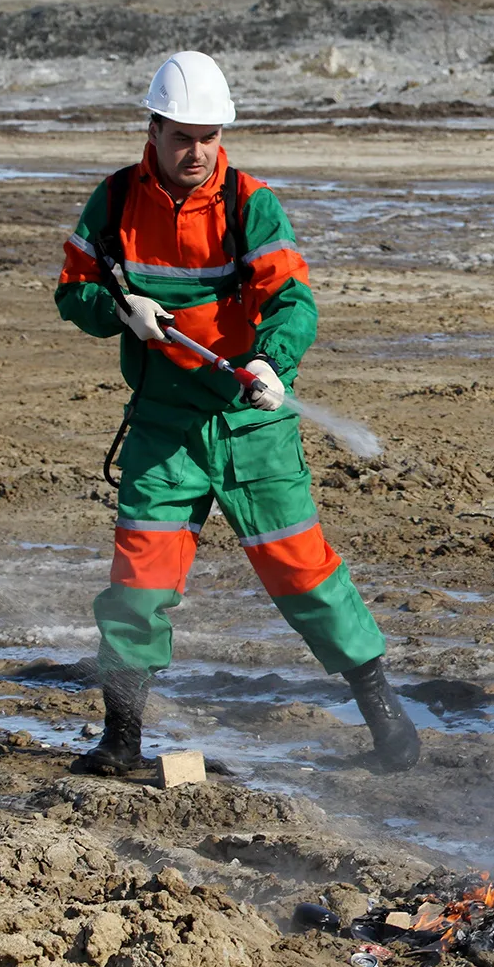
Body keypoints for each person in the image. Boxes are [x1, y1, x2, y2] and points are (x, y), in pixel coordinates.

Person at [55, 51, 420, 774]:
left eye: (211, 138)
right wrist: (117, 311)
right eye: (183, 136)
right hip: (164, 426)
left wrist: (269, 364)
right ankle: (122, 738)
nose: (198, 152)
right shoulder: (115, 202)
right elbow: (74, 291)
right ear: (154, 129)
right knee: (139, 581)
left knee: (303, 571)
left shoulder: (249, 203)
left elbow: (292, 300)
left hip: (252, 419)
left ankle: (387, 721)